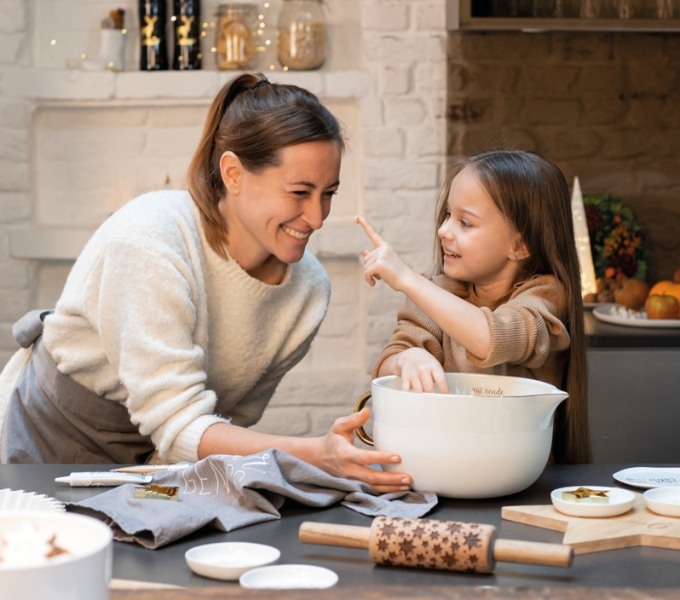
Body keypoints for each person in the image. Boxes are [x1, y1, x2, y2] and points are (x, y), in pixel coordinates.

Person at [0, 73, 412, 493]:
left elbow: (220, 423)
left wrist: (157, 490)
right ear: (233, 173)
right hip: (46, 446)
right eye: (299, 192)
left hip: (158, 461)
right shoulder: (149, 242)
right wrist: (312, 454)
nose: (317, 217)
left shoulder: (308, 291)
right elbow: (179, 423)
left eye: (328, 194)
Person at [357, 149, 592, 464]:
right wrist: (406, 359)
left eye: (465, 222)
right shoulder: (436, 292)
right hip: (440, 468)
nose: (443, 230)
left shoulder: (547, 296)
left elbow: (496, 338)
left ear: (520, 245)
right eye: (447, 215)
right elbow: (388, 365)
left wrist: (408, 279)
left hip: (518, 474)